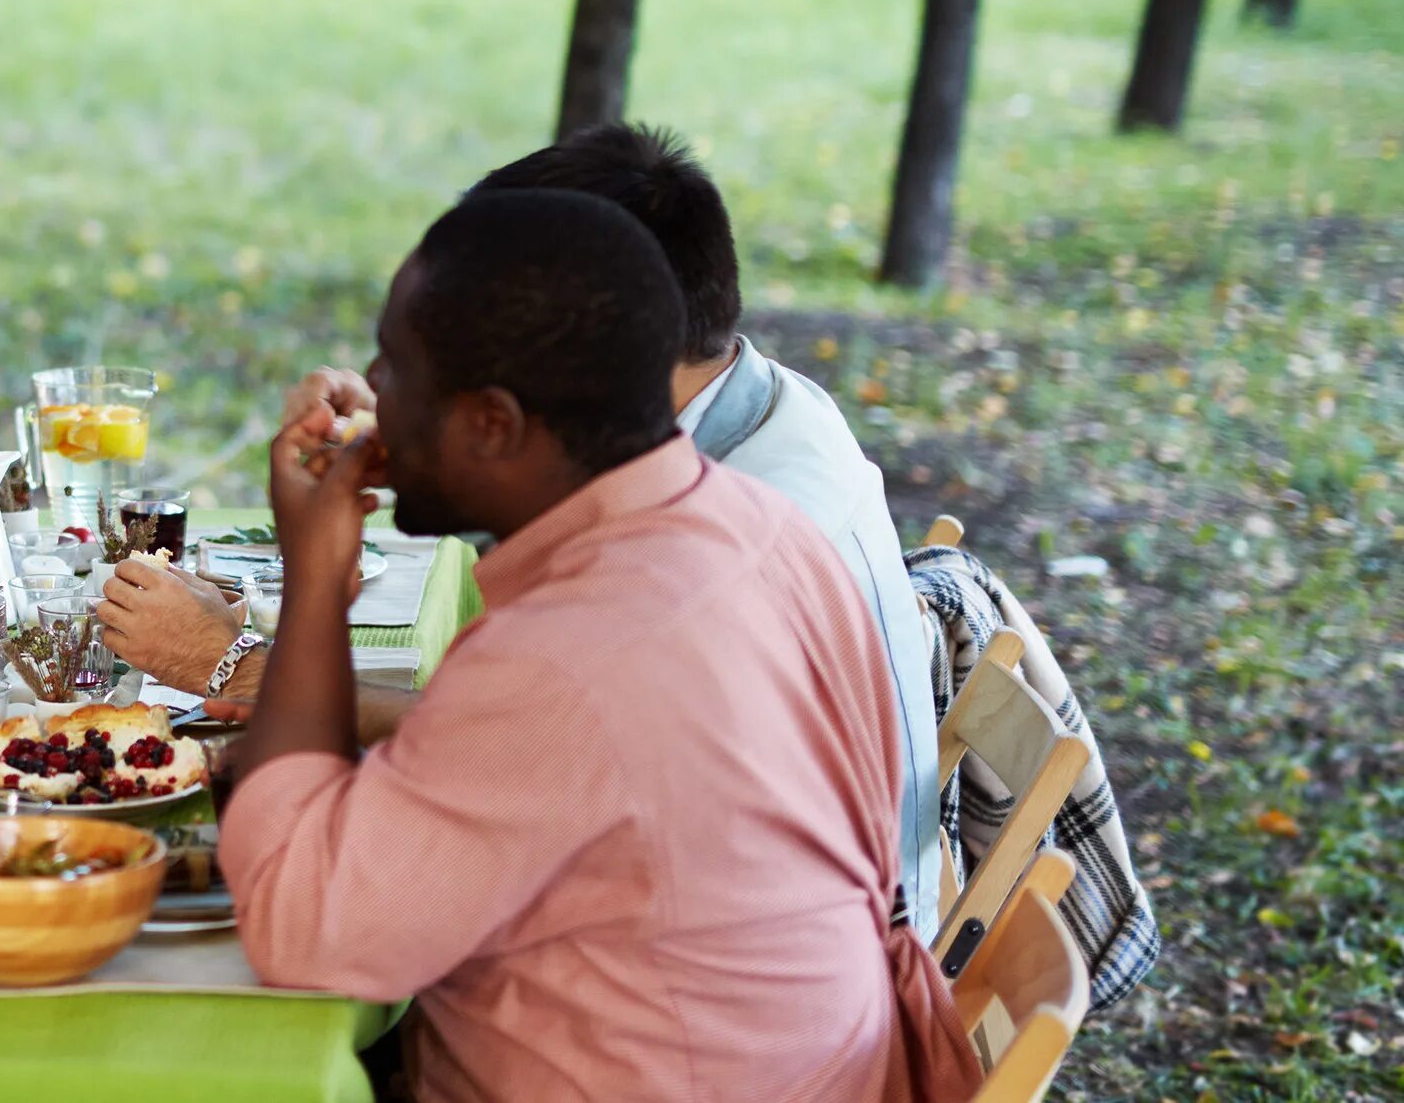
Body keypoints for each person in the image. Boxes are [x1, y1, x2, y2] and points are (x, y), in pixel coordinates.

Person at [217, 190, 976, 1103]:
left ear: (493, 424)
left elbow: (301, 933)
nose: (374, 397)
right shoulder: (763, 527)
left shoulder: (566, 657)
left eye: (398, 368)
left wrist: (313, 577)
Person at [103, 124, 945, 936]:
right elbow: (537, 738)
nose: (371, 384)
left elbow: (305, 914)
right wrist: (441, 438)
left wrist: (258, 647)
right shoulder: (757, 441)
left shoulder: (651, 603)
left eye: (403, 365)